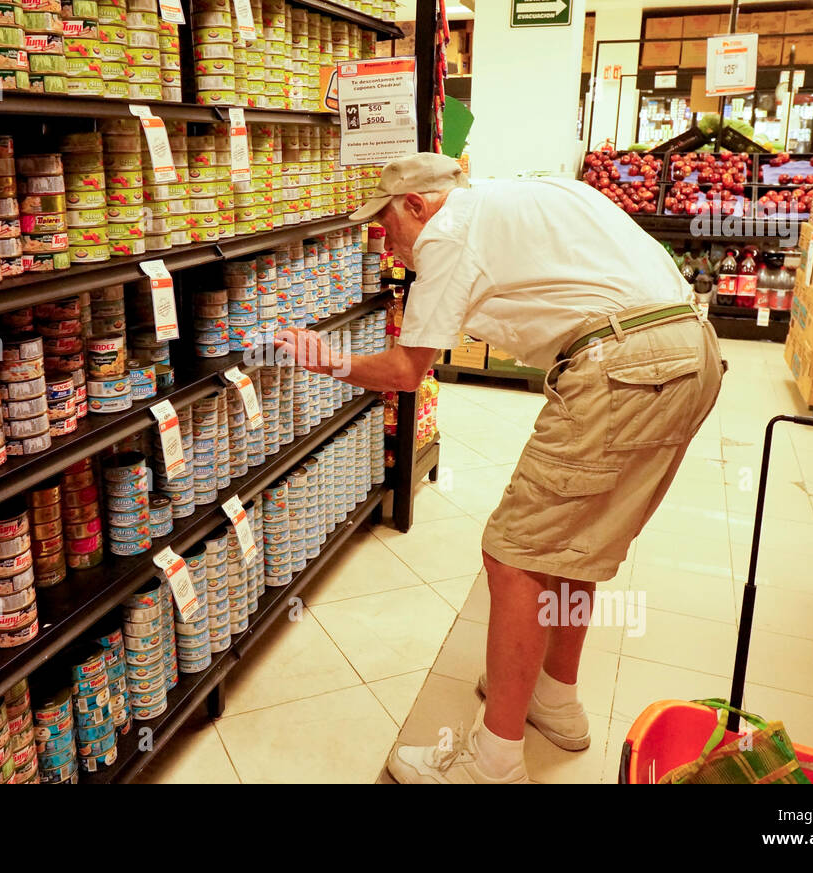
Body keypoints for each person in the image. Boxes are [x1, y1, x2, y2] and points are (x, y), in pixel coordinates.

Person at [275, 153, 725, 784]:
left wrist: (329, 361)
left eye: (387, 225)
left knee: (512, 557)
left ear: (417, 205)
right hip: (690, 353)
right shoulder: (530, 195)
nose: (389, 242)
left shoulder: (446, 235)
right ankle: (555, 701)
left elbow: (408, 371)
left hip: (625, 367)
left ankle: (493, 762)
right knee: (576, 547)